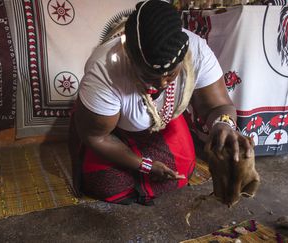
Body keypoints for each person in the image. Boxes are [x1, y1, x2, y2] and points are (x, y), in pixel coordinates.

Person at [69, 0, 254, 205]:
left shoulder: (196, 51)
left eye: (171, 75)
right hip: (111, 129)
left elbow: (218, 107)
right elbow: (97, 136)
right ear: (130, 57)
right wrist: (145, 165)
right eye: (149, 75)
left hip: (163, 120)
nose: (161, 83)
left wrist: (224, 123)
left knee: (179, 172)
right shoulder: (105, 69)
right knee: (106, 184)